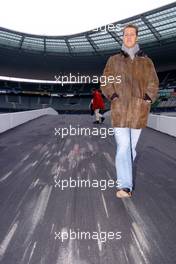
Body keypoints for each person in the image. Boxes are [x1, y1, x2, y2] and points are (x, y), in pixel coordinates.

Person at [100, 24, 159, 198]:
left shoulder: (146, 62)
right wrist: (113, 96)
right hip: (119, 111)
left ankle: (124, 169)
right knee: (124, 146)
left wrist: (147, 99)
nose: (129, 37)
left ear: (137, 37)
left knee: (131, 149)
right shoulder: (113, 60)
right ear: (122, 37)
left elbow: (153, 83)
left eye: (132, 34)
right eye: (126, 35)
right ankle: (124, 186)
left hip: (138, 112)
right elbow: (105, 81)